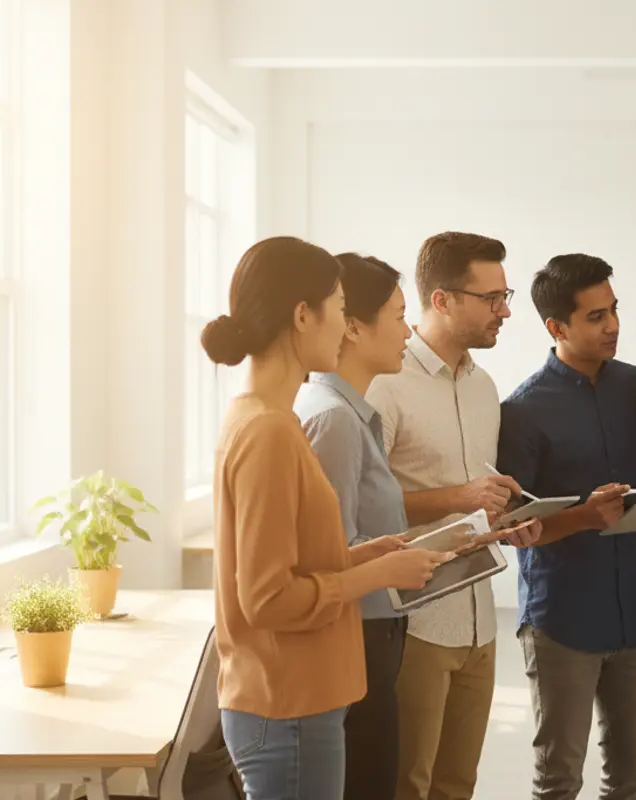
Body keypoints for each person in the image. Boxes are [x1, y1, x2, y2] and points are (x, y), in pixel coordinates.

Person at [202, 236, 452, 800]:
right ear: (302, 315)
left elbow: (292, 561)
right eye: (340, 309)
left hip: (300, 695)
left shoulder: (274, 419)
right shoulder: (267, 430)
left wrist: (367, 554)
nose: (345, 327)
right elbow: (266, 598)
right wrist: (377, 576)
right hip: (285, 700)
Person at [496, 254, 636, 800]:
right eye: (596, 316)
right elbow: (513, 528)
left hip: (633, 615)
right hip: (561, 621)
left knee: (633, 777)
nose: (613, 326)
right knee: (559, 781)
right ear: (556, 327)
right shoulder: (524, 411)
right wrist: (583, 516)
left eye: (614, 310)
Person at [366, 231, 542, 800]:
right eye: (492, 298)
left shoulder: (485, 386)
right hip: (416, 622)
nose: (506, 311)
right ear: (442, 300)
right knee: (407, 786)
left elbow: (475, 497)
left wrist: (508, 521)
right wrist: (457, 498)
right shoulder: (384, 384)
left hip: (479, 620)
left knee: (458, 786)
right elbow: (361, 505)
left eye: (504, 294)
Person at [293, 253, 417, 800]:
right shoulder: (334, 420)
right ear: (353, 325)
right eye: (398, 315)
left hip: (375, 630)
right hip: (355, 638)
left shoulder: (353, 413)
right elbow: (328, 553)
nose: (408, 330)